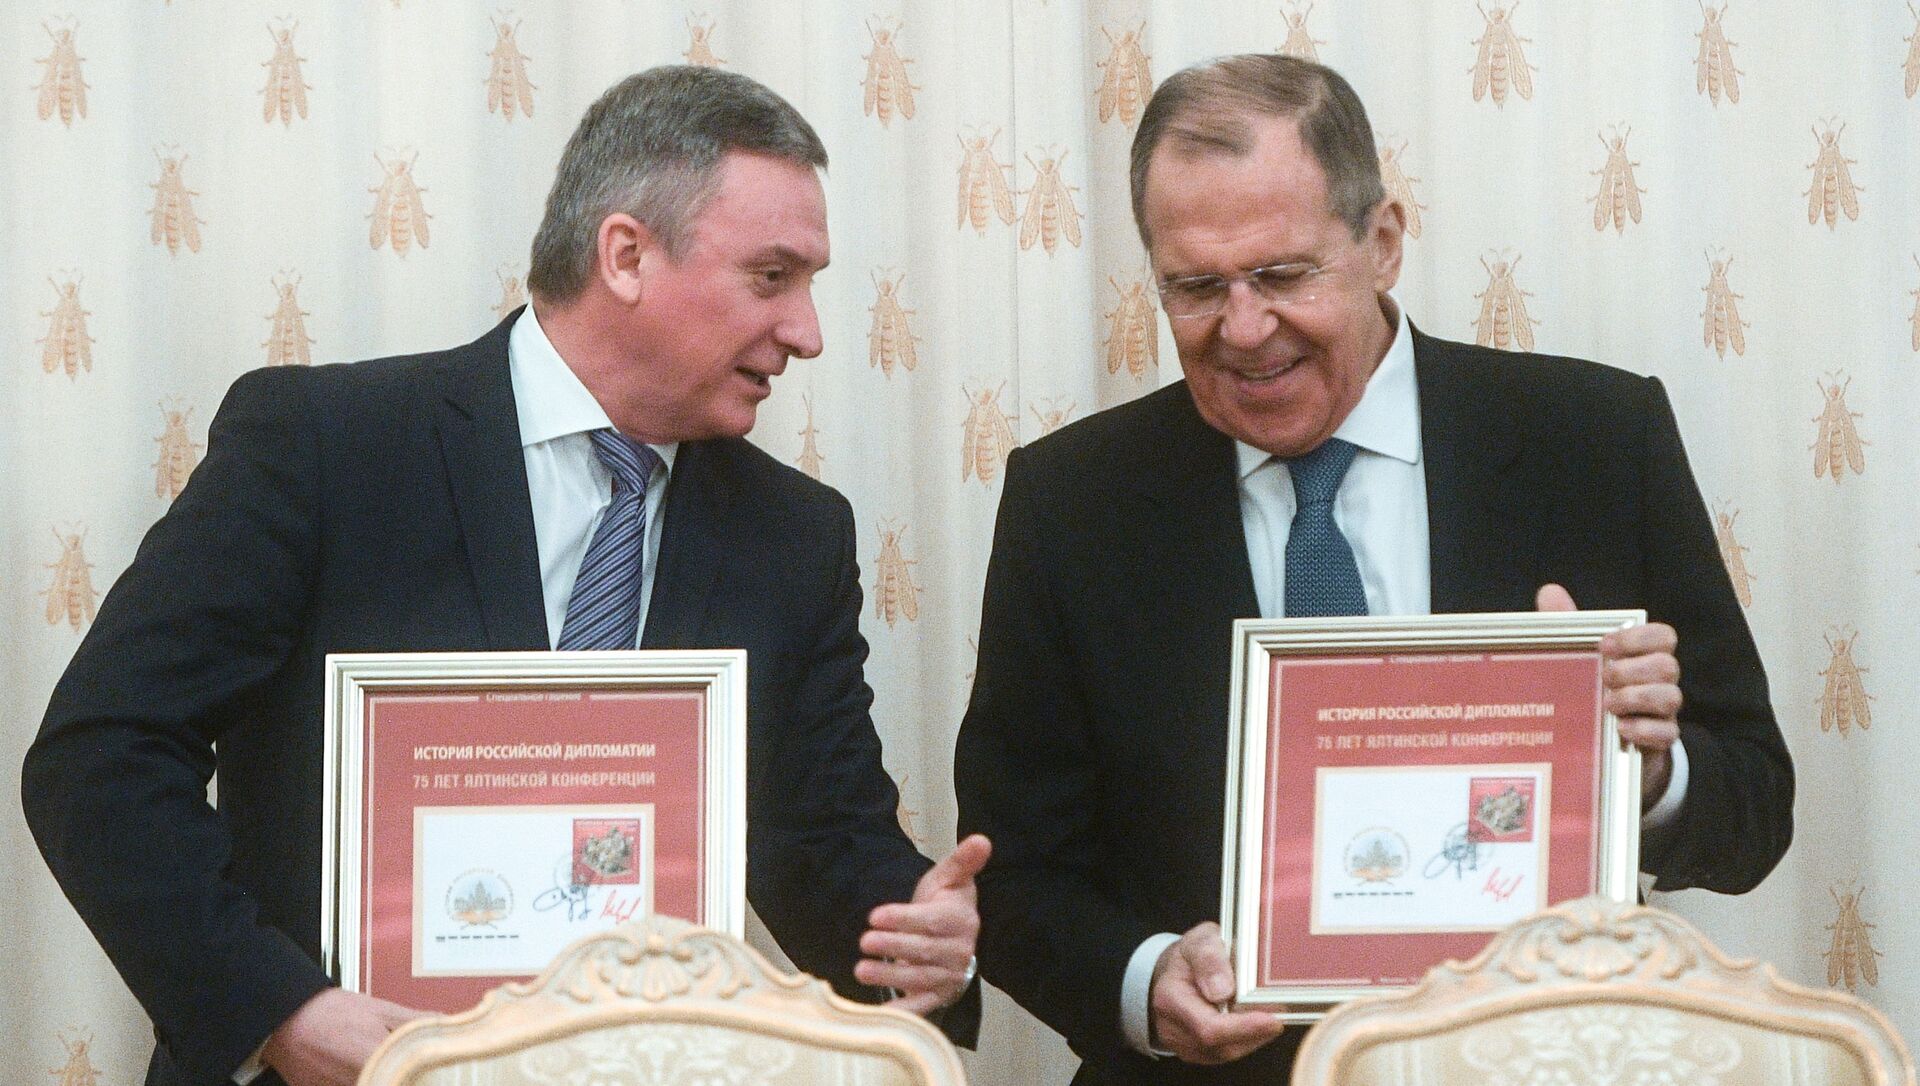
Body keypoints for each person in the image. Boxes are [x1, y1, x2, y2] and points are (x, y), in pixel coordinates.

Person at [23, 66, 985, 1086]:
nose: (808, 332)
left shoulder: (793, 535)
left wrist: (921, 941)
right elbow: (103, 755)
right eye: (772, 276)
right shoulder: (325, 448)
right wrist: (282, 1013)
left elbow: (826, 842)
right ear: (626, 256)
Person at [953, 54, 1791, 1085]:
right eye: (1198, 287)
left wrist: (1647, 772)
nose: (1244, 329)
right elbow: (1015, 872)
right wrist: (1146, 980)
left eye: (1282, 275)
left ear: (1383, 242)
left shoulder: (1594, 441)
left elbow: (1756, 811)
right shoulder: (1072, 500)